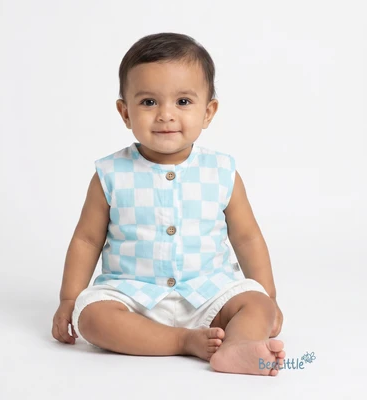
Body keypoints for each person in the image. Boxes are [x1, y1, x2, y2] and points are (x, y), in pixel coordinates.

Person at [51, 32, 285, 376]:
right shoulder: (110, 174)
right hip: (132, 296)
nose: (165, 115)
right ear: (125, 112)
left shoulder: (222, 172)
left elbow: (247, 238)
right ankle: (181, 341)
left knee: (256, 303)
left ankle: (236, 347)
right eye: (148, 102)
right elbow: (86, 240)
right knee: (92, 316)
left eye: (183, 102)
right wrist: (69, 299)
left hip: (209, 293)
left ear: (208, 112)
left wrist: (270, 298)